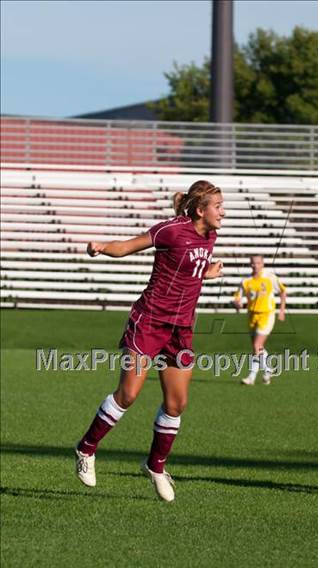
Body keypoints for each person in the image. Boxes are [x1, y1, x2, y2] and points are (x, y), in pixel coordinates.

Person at [75, 180, 224, 502]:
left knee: (176, 403)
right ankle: (86, 449)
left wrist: (205, 274)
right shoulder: (171, 229)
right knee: (128, 394)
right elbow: (127, 246)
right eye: (218, 207)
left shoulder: (211, 235)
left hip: (181, 329)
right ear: (200, 210)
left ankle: (155, 466)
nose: (222, 214)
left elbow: (187, 270)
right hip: (149, 322)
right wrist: (101, 246)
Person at [233, 255, 287, 385]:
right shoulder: (246, 281)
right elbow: (237, 297)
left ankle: (251, 377)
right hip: (252, 315)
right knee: (257, 347)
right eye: (253, 263)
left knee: (257, 346)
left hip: (267, 314)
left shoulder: (270, 277)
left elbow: (283, 292)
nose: (255, 265)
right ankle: (269, 369)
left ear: (262, 264)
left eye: (258, 263)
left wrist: (281, 310)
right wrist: (237, 303)